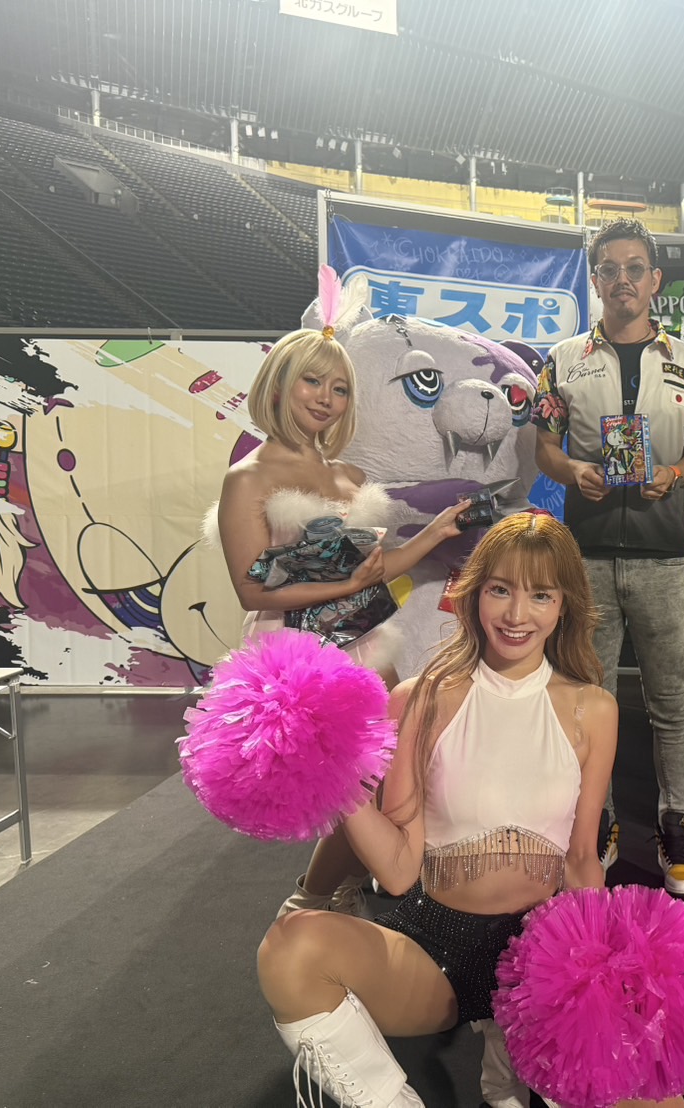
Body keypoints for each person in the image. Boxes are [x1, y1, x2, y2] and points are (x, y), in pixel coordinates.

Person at [256, 512, 624, 1108]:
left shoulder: (594, 709)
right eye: (500, 589)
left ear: (565, 606)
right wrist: (338, 775)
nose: (517, 614)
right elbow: (399, 869)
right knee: (289, 948)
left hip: (541, 956)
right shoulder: (420, 699)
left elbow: (583, 858)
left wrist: (593, 974)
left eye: (540, 595)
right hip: (436, 947)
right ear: (473, 593)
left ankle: (511, 1060)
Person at [214, 327, 469, 916]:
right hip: (302, 657)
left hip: (367, 642)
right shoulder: (248, 478)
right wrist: (351, 583)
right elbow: (251, 586)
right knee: (355, 791)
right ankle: (309, 900)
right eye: (312, 381)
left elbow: (372, 571)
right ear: (277, 384)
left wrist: (435, 533)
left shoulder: (348, 476)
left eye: (340, 388)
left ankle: (339, 888)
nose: (326, 398)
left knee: (384, 777)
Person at [533, 217, 684, 894]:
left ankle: (677, 828)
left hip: (662, 556)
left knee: (671, 702)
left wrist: (673, 474)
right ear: (595, 280)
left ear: (654, 280)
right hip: (585, 559)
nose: (622, 280)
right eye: (609, 269)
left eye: (634, 268)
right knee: (590, 699)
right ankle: (599, 822)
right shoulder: (563, 359)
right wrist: (571, 471)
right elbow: (544, 446)